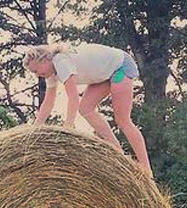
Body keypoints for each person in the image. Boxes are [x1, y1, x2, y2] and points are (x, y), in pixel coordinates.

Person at [23, 43, 153, 177]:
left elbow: (73, 96)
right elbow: (48, 102)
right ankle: (118, 152)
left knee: (122, 120)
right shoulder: (51, 73)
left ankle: (146, 170)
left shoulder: (60, 61)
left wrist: (69, 125)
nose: (38, 75)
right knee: (85, 108)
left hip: (119, 68)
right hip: (104, 75)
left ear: (44, 60)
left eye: (36, 71)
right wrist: (35, 129)